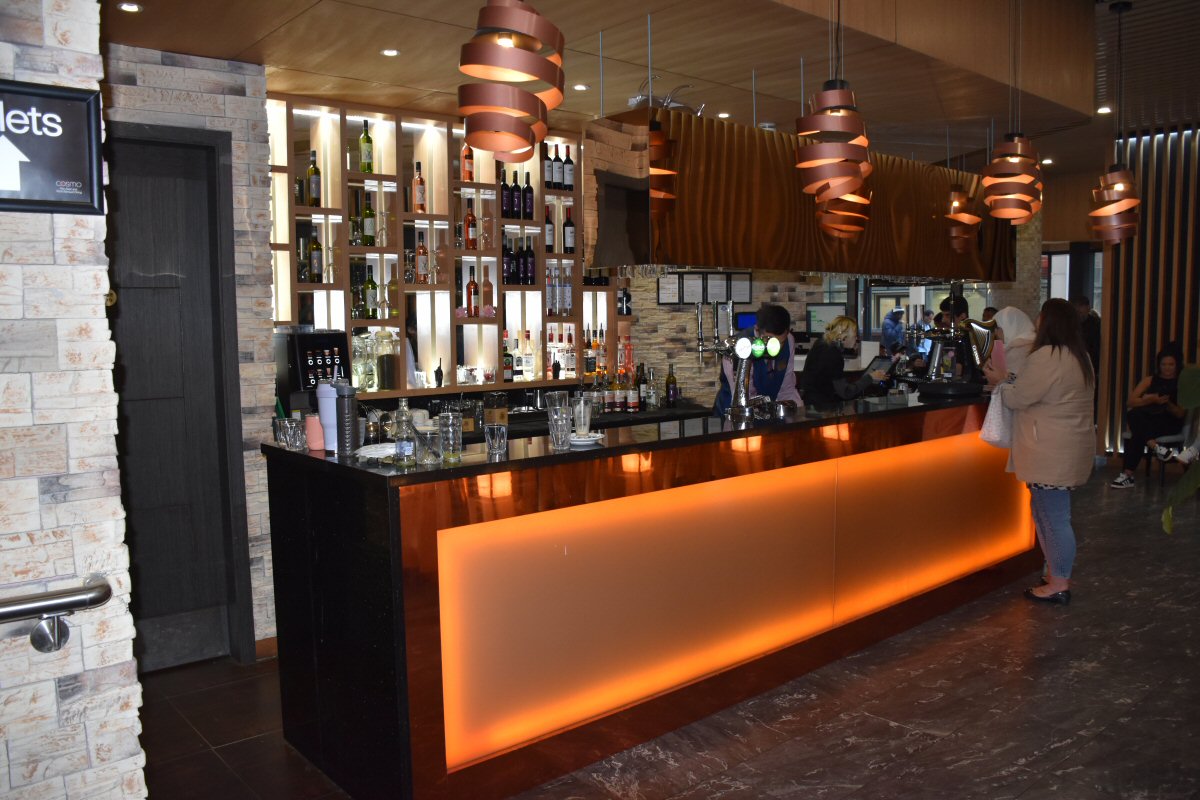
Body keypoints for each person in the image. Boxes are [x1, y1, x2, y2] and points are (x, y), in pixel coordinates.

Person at [986, 298, 1094, 605]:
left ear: (1048, 322)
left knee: (1053, 516)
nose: (1035, 322)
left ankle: (1059, 582)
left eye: (1040, 317)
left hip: (1048, 448)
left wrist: (1000, 383)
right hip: (1065, 446)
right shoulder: (1079, 355)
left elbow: (1019, 398)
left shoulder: (1047, 355)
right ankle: (1056, 576)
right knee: (1050, 513)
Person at [1110, 346, 1187, 488]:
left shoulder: (1182, 383)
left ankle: (1127, 476)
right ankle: (1155, 446)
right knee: (1133, 414)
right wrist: (1150, 399)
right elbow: (1130, 402)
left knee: (1138, 431)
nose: (1167, 368)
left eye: (1171, 364)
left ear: (1177, 365)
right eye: (1164, 364)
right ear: (1159, 365)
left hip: (1170, 422)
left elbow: (1181, 413)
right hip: (1150, 418)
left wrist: (1167, 403)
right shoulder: (1150, 380)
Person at [713, 303, 803, 416]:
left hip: (766, 413)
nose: (776, 349)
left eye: (780, 343)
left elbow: (787, 389)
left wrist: (800, 413)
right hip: (733, 414)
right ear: (757, 329)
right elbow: (743, 397)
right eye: (769, 342)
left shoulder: (789, 341)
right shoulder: (739, 348)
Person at [800, 315, 889, 407]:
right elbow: (846, 392)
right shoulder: (833, 354)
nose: (856, 339)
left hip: (810, 402)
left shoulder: (820, 343)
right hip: (823, 407)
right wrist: (870, 377)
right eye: (855, 336)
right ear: (844, 336)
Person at [985, 306, 1037, 382]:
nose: (996, 333)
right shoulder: (1030, 343)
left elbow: (1014, 383)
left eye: (998, 328)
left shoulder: (1018, 350)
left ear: (1009, 328)